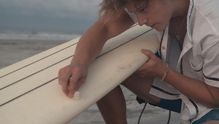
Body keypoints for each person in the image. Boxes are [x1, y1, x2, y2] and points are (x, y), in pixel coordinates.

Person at [58, 0, 219, 123]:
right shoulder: (144, 2)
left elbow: (215, 98)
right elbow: (104, 27)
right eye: (134, 12)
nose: (141, 21)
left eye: (142, 10)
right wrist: (79, 63)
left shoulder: (212, 30)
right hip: (182, 91)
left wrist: (164, 73)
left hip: (213, 100)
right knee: (99, 62)